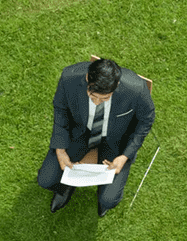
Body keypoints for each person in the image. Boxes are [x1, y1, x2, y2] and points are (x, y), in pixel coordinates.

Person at [37, 58, 155, 217]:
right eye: (93, 96)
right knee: (46, 180)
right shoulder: (68, 77)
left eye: (104, 98)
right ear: (87, 79)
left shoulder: (136, 89)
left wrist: (125, 156)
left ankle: (102, 192)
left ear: (117, 86)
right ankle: (65, 188)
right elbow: (61, 110)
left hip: (116, 143)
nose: (98, 102)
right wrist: (60, 149)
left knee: (109, 200)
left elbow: (146, 120)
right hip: (79, 134)